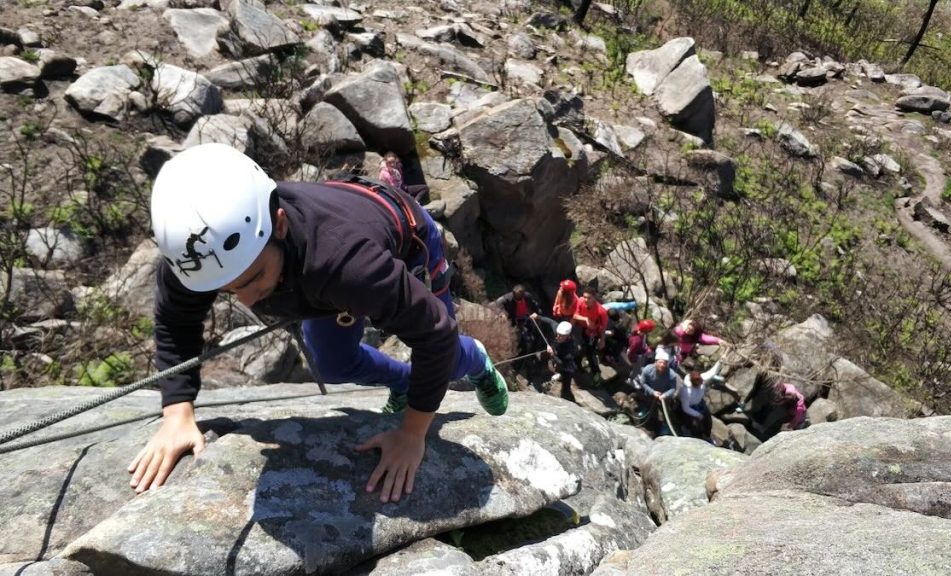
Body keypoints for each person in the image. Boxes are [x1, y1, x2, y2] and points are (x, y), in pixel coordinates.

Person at [129, 143, 509, 503]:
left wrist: (412, 433)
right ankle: (404, 383)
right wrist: (177, 411)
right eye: (227, 290)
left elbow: (434, 334)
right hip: (325, 255)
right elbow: (176, 320)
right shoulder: (201, 256)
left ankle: (474, 359)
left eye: (253, 278)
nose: (246, 300)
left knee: (446, 359)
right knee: (333, 365)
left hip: (405, 236)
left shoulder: (347, 265)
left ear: (279, 225)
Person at [631, 348, 681, 436]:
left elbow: (673, 388)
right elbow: (643, 383)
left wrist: (665, 395)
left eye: (664, 363)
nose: (662, 365)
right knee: (647, 403)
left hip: (664, 397)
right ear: (655, 362)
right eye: (660, 362)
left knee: (664, 412)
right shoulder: (647, 369)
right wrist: (652, 392)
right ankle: (645, 411)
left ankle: (664, 425)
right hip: (650, 393)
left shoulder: (672, 374)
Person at [678, 361, 723, 441]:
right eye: (700, 382)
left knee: (708, 421)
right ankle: (691, 433)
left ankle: (707, 436)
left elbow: (712, 372)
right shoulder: (686, 391)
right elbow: (686, 408)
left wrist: (720, 362)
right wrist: (697, 414)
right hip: (689, 407)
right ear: (694, 383)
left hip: (699, 403)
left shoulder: (701, 379)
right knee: (695, 425)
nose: (702, 383)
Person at [572, 288, 608, 376]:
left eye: (589, 298)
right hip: (583, 329)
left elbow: (603, 327)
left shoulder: (601, 311)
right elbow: (575, 315)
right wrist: (586, 319)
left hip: (593, 333)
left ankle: (596, 372)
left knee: (590, 352)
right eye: (585, 297)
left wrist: (602, 340)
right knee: (582, 347)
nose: (586, 300)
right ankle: (579, 362)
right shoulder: (581, 301)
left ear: (594, 297)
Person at [546, 321, 580, 403]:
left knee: (566, 388)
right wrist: (537, 316)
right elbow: (550, 322)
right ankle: (560, 374)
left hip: (568, 366)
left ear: (568, 336)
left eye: (561, 336)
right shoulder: (558, 330)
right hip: (559, 356)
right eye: (558, 334)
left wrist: (552, 354)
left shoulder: (570, 347)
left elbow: (562, 362)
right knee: (557, 367)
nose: (558, 337)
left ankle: (569, 402)